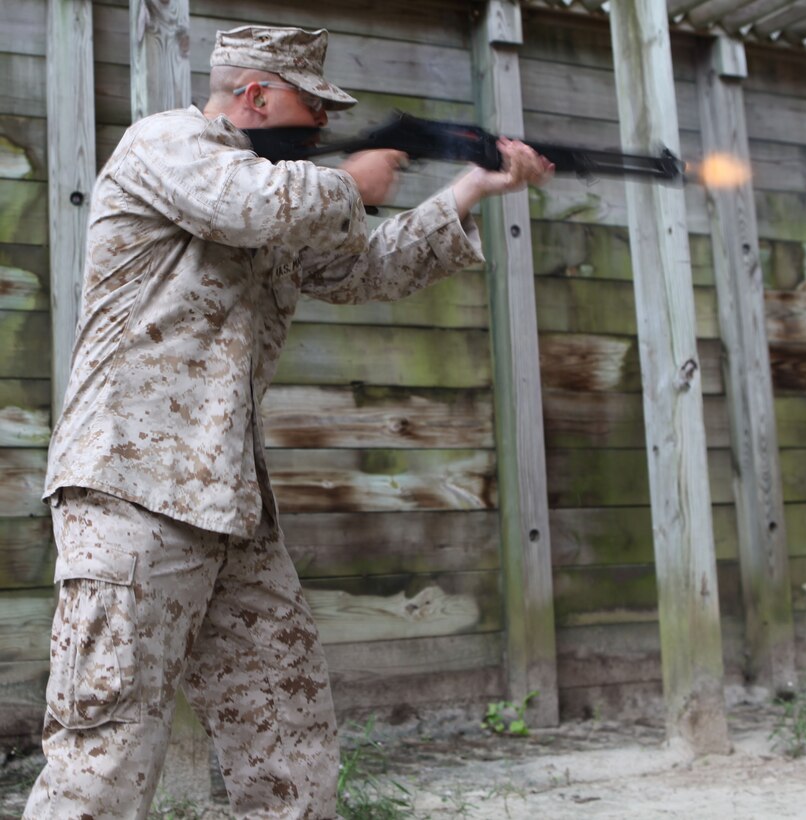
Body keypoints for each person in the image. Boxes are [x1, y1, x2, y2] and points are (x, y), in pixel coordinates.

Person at [24, 24, 553, 819]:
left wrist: (472, 190)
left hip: (230, 504)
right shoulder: (168, 143)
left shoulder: (279, 195)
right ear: (257, 94)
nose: (320, 125)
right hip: (131, 493)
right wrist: (351, 182)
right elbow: (246, 205)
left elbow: (360, 268)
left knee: (287, 731)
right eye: (313, 106)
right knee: (106, 745)